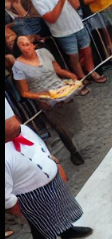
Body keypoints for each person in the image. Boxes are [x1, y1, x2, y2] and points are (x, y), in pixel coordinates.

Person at [5, 108, 90, 239]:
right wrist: (22, 211)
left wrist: (56, 164)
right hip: (30, 197)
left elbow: (42, 148)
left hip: (53, 182)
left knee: (62, 208)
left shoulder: (25, 130)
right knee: (41, 229)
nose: (17, 124)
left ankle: (67, 230)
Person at [12, 35, 85, 165]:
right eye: (23, 44)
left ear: (34, 44)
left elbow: (57, 70)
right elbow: (24, 92)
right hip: (44, 97)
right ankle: (73, 151)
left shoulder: (44, 53)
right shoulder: (18, 67)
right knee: (60, 126)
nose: (27, 46)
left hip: (60, 89)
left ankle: (76, 141)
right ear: (18, 49)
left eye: (28, 43)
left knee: (73, 119)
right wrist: (44, 96)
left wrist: (72, 76)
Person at [30, 0, 106, 87]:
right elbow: (51, 18)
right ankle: (81, 77)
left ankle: (91, 71)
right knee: (73, 56)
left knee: (87, 49)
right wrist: (61, 1)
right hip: (63, 31)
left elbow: (76, 5)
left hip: (77, 24)